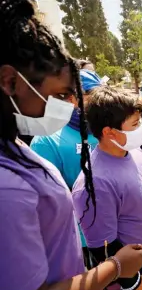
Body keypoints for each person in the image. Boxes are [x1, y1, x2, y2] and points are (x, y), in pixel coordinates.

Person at [0, 0, 142, 290]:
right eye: (60, 95)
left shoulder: (12, 147)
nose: (70, 105)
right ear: (9, 82)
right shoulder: (8, 190)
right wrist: (114, 267)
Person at [72, 86, 142, 290]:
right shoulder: (95, 184)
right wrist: (133, 283)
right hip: (126, 269)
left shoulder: (133, 151)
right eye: (135, 124)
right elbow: (103, 250)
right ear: (109, 132)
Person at [30, 69, 103, 270]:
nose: (99, 101)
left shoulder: (109, 129)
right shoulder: (46, 140)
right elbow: (48, 201)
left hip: (114, 227)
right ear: (71, 98)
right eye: (91, 95)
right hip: (80, 237)